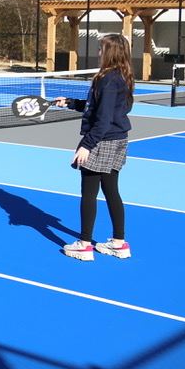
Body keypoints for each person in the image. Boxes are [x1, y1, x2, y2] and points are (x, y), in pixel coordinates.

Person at [54, 33, 134, 262]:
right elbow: (99, 109)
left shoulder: (107, 79)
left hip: (102, 140)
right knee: (111, 191)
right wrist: (70, 102)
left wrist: (86, 146)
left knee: (88, 193)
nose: (98, 53)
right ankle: (119, 243)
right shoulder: (123, 76)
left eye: (101, 49)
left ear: (109, 53)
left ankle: (84, 244)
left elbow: (104, 118)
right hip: (118, 139)